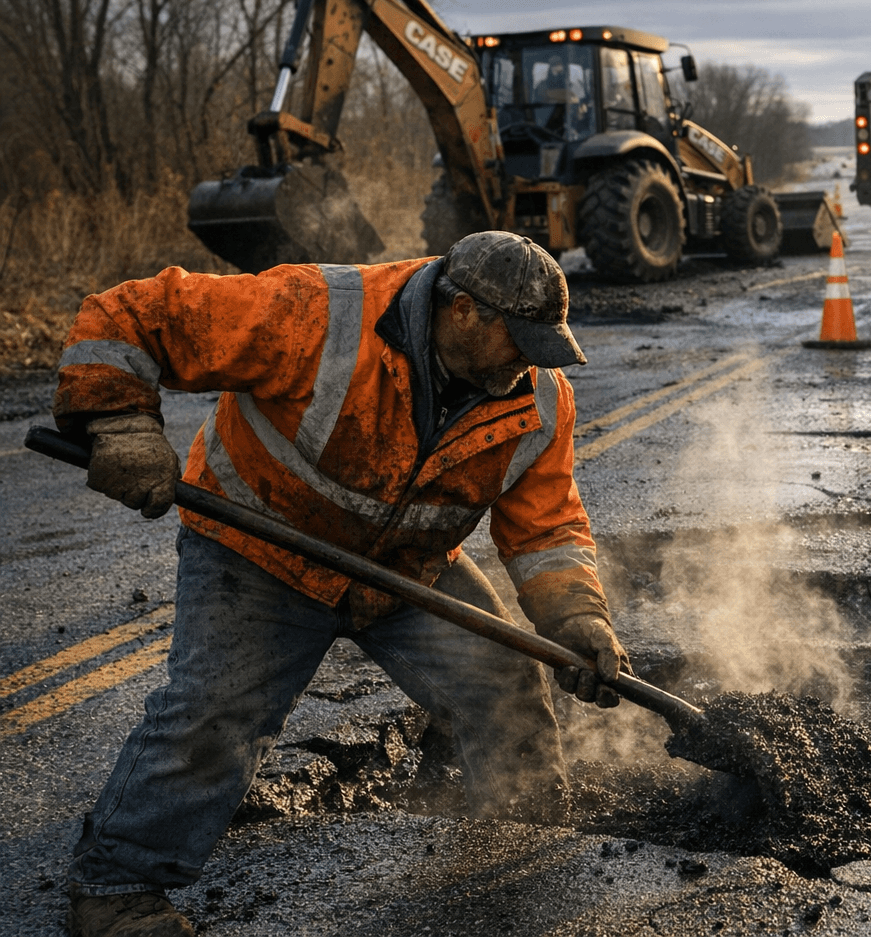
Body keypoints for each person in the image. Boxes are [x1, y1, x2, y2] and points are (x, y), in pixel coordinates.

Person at [52, 231, 629, 937]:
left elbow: (546, 529)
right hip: (261, 549)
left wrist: (577, 620)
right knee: (216, 715)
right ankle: (117, 889)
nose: (532, 363)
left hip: (405, 569)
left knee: (505, 680)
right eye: (521, 339)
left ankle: (524, 842)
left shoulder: (539, 401)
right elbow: (132, 314)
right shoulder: (319, 311)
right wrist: (120, 421)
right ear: (463, 310)